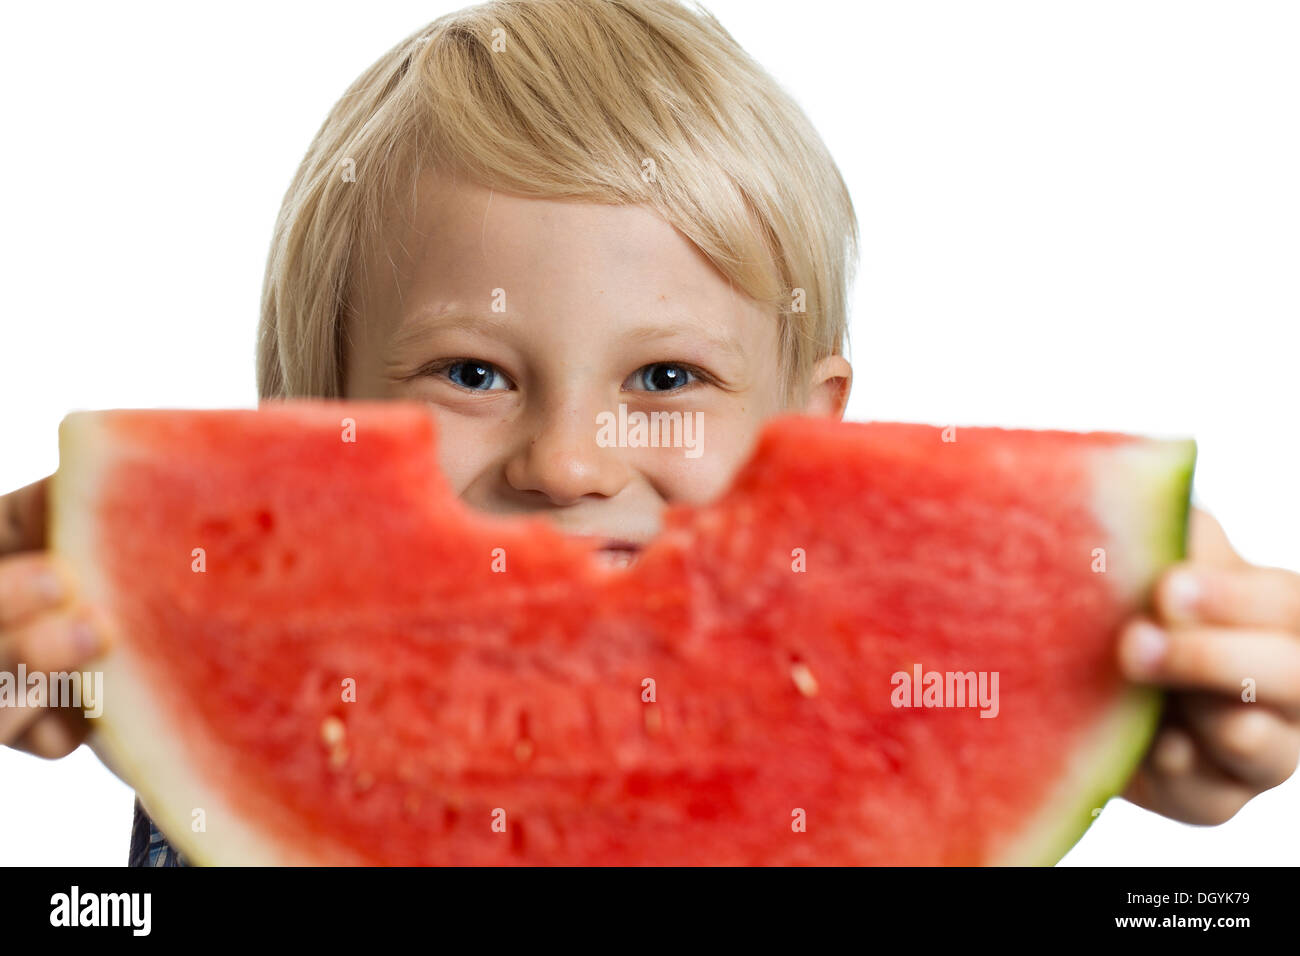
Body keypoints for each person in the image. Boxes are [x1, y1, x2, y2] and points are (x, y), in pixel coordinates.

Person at [2, 0, 1297, 867]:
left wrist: (1114, 674)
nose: (570, 461)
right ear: (307, 433)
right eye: (472, 372)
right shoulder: (248, 760)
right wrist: (72, 635)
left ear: (813, 431)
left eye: (668, 375)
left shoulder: (877, 715)